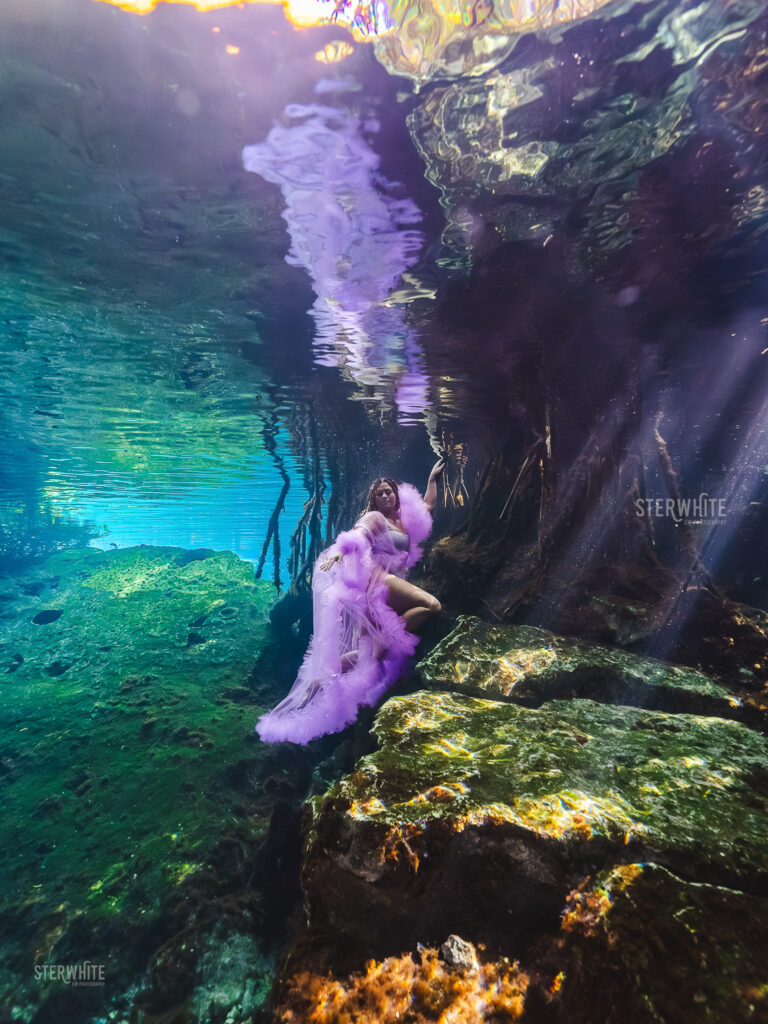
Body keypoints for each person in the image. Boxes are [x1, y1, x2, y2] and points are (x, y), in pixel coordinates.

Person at [255, 459, 445, 744]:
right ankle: (386, 637)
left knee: (370, 656)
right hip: (379, 583)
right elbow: (360, 532)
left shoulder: (403, 520)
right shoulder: (375, 518)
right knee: (432, 606)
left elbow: (428, 507)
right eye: (379, 493)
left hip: (385, 590)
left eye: (389, 491)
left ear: (396, 494)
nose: (385, 496)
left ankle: (316, 682)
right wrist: (341, 552)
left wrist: (432, 479)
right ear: (374, 499)